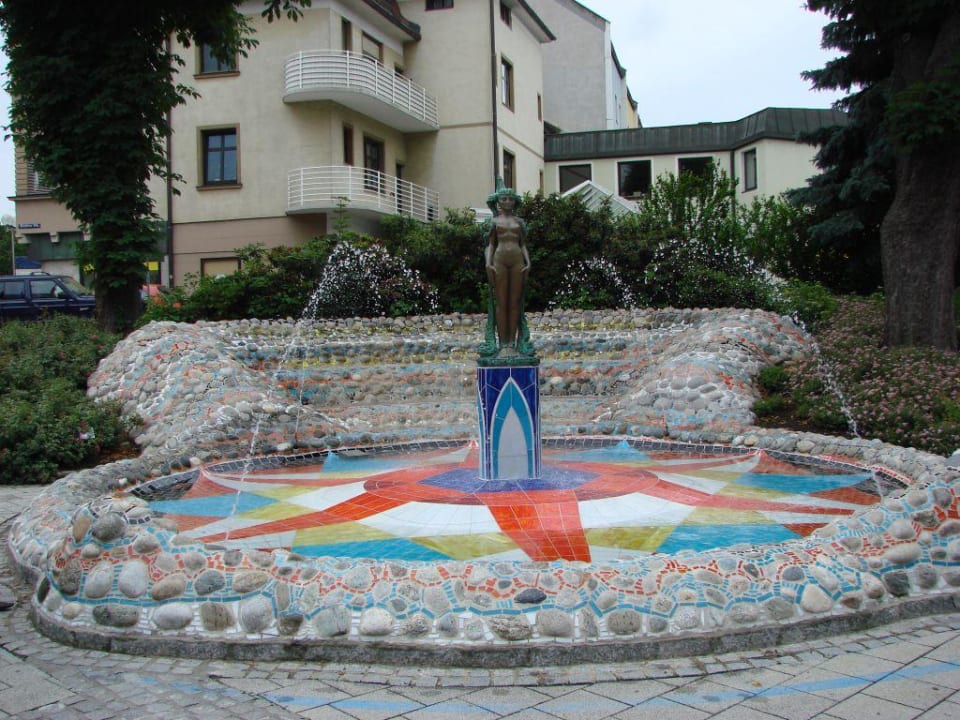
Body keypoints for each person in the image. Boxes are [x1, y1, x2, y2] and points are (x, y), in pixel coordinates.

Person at [484, 184, 530, 356]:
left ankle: (512, 342)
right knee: (502, 303)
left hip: (517, 259)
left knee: (514, 303)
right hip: (499, 260)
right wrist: (488, 263)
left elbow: (523, 243)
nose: (507, 202)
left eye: (511, 199)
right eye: (504, 199)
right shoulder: (494, 222)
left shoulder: (519, 222)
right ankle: (503, 344)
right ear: (498, 202)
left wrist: (528, 261)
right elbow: (491, 244)